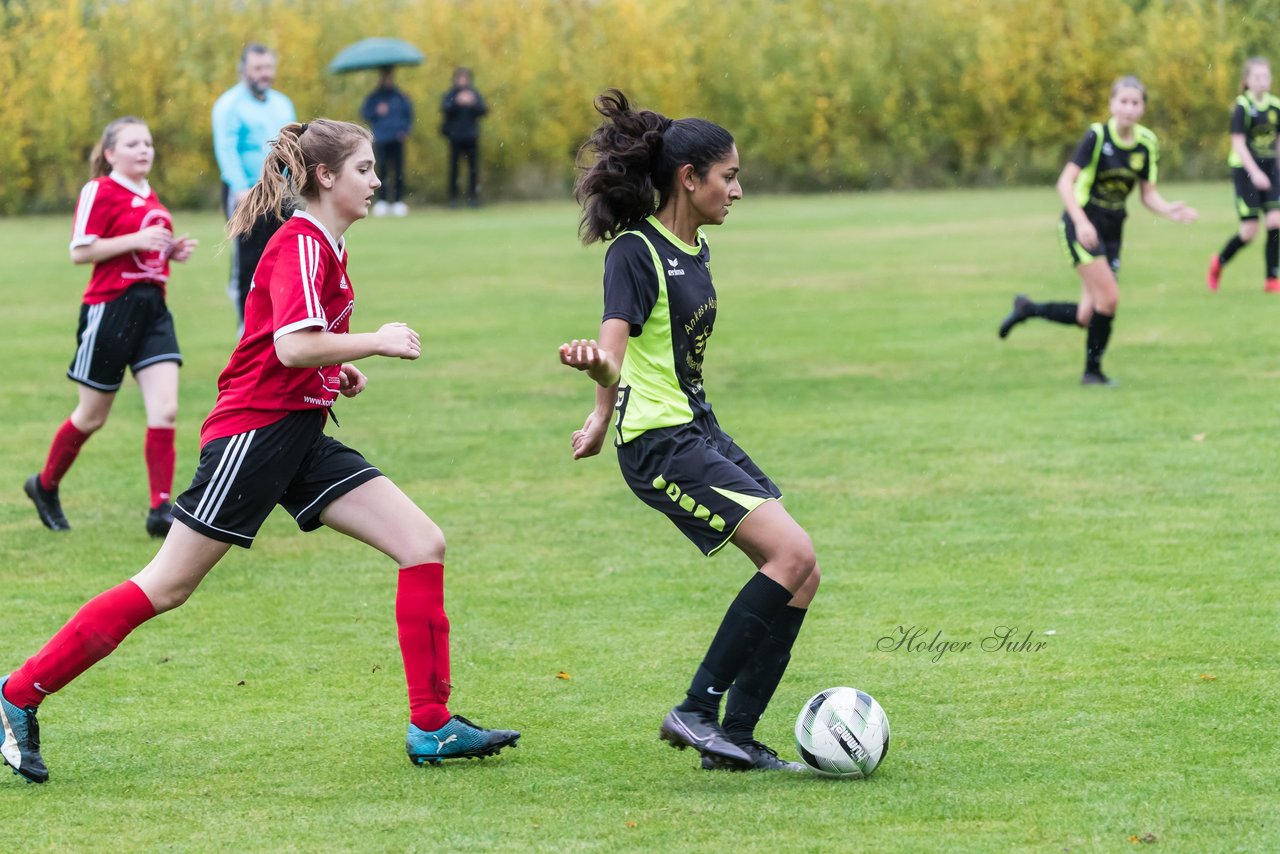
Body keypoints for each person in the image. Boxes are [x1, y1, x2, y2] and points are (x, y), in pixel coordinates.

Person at [1, 119, 519, 785]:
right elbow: (290, 347)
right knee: (167, 585)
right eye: (364, 169)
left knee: (422, 542)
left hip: (299, 431)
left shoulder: (326, 245)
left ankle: (431, 724)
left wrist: (340, 371)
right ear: (326, 177)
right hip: (254, 435)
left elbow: (296, 344)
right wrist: (374, 341)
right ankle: (19, 693)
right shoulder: (302, 241)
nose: (377, 180)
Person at [558, 90, 819, 773]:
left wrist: (594, 414)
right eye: (728, 177)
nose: (737, 190)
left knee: (801, 572)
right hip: (659, 444)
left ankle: (731, 739)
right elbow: (615, 346)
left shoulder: (693, 247)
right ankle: (696, 711)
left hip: (697, 431)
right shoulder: (635, 252)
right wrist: (598, 383)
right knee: (790, 555)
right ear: (689, 178)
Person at [24, 117, 198, 539]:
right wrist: (137, 243)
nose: (144, 150)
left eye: (149, 143)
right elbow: (81, 251)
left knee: (167, 409)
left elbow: (145, 256)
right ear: (110, 154)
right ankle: (44, 485)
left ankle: (160, 509)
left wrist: (170, 252)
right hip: (110, 311)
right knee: (92, 415)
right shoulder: (98, 190)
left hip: (154, 312)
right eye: (134, 143)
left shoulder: (152, 196)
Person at [997, 76, 1198, 385]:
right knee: (1110, 300)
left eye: (1136, 103)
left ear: (1143, 108)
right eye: (1123, 101)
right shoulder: (1097, 136)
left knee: (1087, 315)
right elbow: (1065, 183)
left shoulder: (1146, 144)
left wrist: (1169, 209)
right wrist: (1080, 222)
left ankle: (1027, 309)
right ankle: (1092, 373)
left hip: (1114, 230)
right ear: (1112, 104)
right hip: (1083, 226)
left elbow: (1148, 195)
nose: (1129, 108)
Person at [212, 43, 297, 328]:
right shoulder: (229, 105)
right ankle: (245, 328)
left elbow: (291, 148)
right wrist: (239, 188)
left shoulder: (282, 103)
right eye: (258, 68)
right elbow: (227, 148)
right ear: (244, 70)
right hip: (247, 192)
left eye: (268, 67)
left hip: (281, 192)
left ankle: (276, 323)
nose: (264, 73)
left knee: (282, 256)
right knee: (248, 261)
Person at [1206, 57, 1280, 293]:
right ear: (1247, 81)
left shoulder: (1276, 107)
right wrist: (1255, 173)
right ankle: (1219, 263)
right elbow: (1238, 144)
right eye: (1256, 77)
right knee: (1249, 231)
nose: (1261, 82)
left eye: (1265, 77)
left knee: (1275, 221)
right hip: (1246, 171)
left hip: (1271, 170)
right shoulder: (1242, 106)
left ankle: (1271, 279)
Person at [362, 66, 414, 217]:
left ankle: (398, 201)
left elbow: (408, 116)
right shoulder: (374, 97)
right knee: (381, 170)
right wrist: (377, 111)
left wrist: (404, 131)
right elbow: (366, 113)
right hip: (381, 137)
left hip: (397, 138)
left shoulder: (400, 97)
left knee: (398, 170)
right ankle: (382, 200)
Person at [439, 67, 487, 207]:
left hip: (471, 137)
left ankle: (473, 197)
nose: (462, 81)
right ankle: (453, 198)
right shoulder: (451, 94)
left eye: (465, 78)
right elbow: (445, 109)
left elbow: (483, 110)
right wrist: (457, 102)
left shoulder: (474, 94)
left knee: (473, 170)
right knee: (454, 169)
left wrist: (472, 103)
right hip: (455, 137)